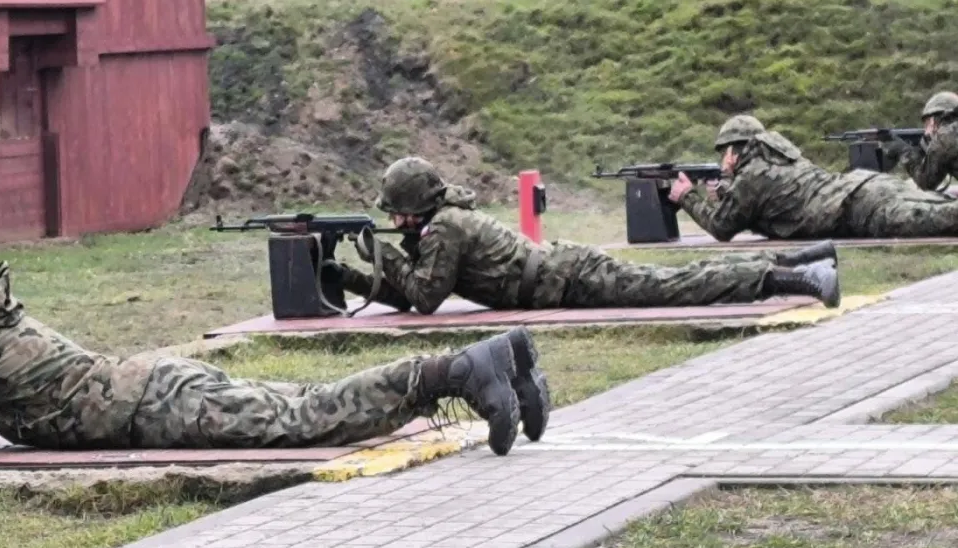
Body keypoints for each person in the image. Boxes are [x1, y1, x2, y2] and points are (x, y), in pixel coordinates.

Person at [0, 232, 553, 458]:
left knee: (309, 420)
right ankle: (506, 362)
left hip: (148, 410)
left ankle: (464, 369)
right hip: (152, 386)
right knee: (305, 407)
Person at [334, 157, 841, 315]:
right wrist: (345, 275)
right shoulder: (441, 222)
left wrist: (381, 255)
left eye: (397, 213)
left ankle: (798, 278)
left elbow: (424, 297)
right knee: (677, 281)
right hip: (560, 274)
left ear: (415, 207)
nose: (394, 220)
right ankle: (798, 261)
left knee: (677, 287)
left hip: (566, 278)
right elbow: (409, 292)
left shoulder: (445, 226)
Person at [674, 114, 958, 241]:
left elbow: (722, 228)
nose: (723, 160)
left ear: (735, 150)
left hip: (860, 208)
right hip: (867, 188)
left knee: (942, 220)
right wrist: (725, 192)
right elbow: (771, 200)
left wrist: (686, 196)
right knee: (939, 205)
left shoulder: (751, 178)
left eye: (725, 152)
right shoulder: (782, 158)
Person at [884, 91, 958, 192]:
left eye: (926, 124)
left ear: (933, 120)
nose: (926, 132)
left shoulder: (945, 135)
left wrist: (905, 152)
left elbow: (926, 183)